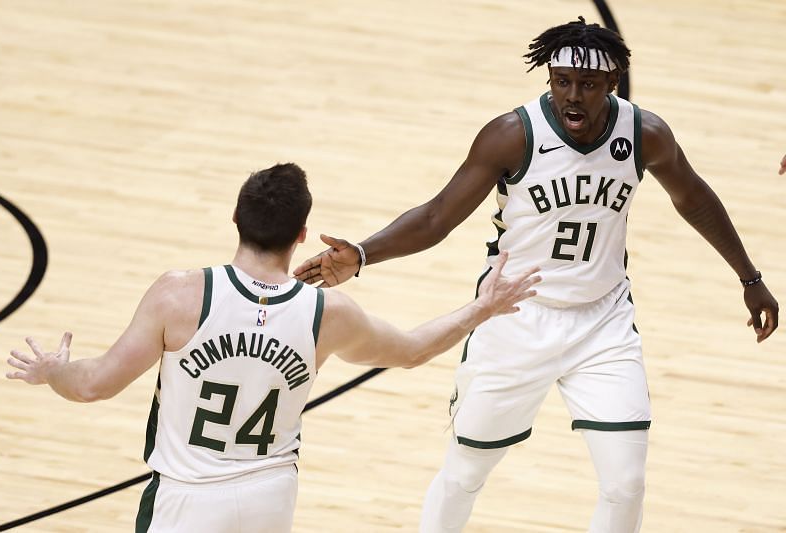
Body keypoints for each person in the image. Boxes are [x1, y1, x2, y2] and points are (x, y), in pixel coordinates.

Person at [293, 17, 779, 533]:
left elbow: (695, 199)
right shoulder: (512, 135)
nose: (573, 95)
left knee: (626, 485)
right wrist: (363, 254)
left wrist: (749, 278)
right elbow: (438, 216)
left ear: (612, 84)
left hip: (603, 322)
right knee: (464, 474)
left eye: (588, 85)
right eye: (561, 81)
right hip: (512, 315)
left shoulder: (644, 133)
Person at [5, 163, 541, 533]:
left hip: (187, 498)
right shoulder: (325, 313)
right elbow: (410, 351)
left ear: (236, 218)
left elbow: (95, 384)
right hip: (269, 495)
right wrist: (481, 308)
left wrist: (55, 371)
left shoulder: (180, 294)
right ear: (302, 234)